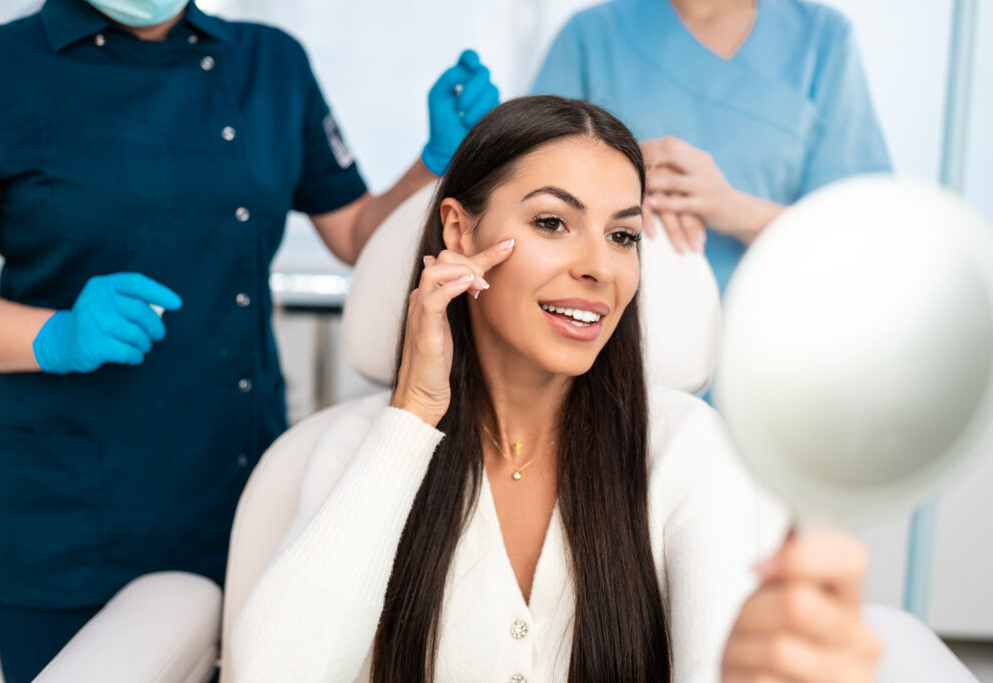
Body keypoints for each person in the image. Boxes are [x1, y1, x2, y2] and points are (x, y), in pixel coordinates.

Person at [231, 96, 881, 682]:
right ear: (459, 232)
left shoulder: (686, 450)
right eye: (551, 222)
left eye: (623, 235)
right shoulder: (359, 446)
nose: (599, 266)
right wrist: (414, 416)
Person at [0, 0, 499, 679]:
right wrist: (56, 334)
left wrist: (435, 163)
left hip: (239, 490)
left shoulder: (269, 62)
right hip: (70, 520)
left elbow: (357, 234)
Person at [531, 0, 891, 294]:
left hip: (771, 341)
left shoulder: (823, 40)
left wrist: (738, 211)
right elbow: (529, 195)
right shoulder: (591, 36)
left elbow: (862, 237)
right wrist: (614, 175)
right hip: (608, 331)